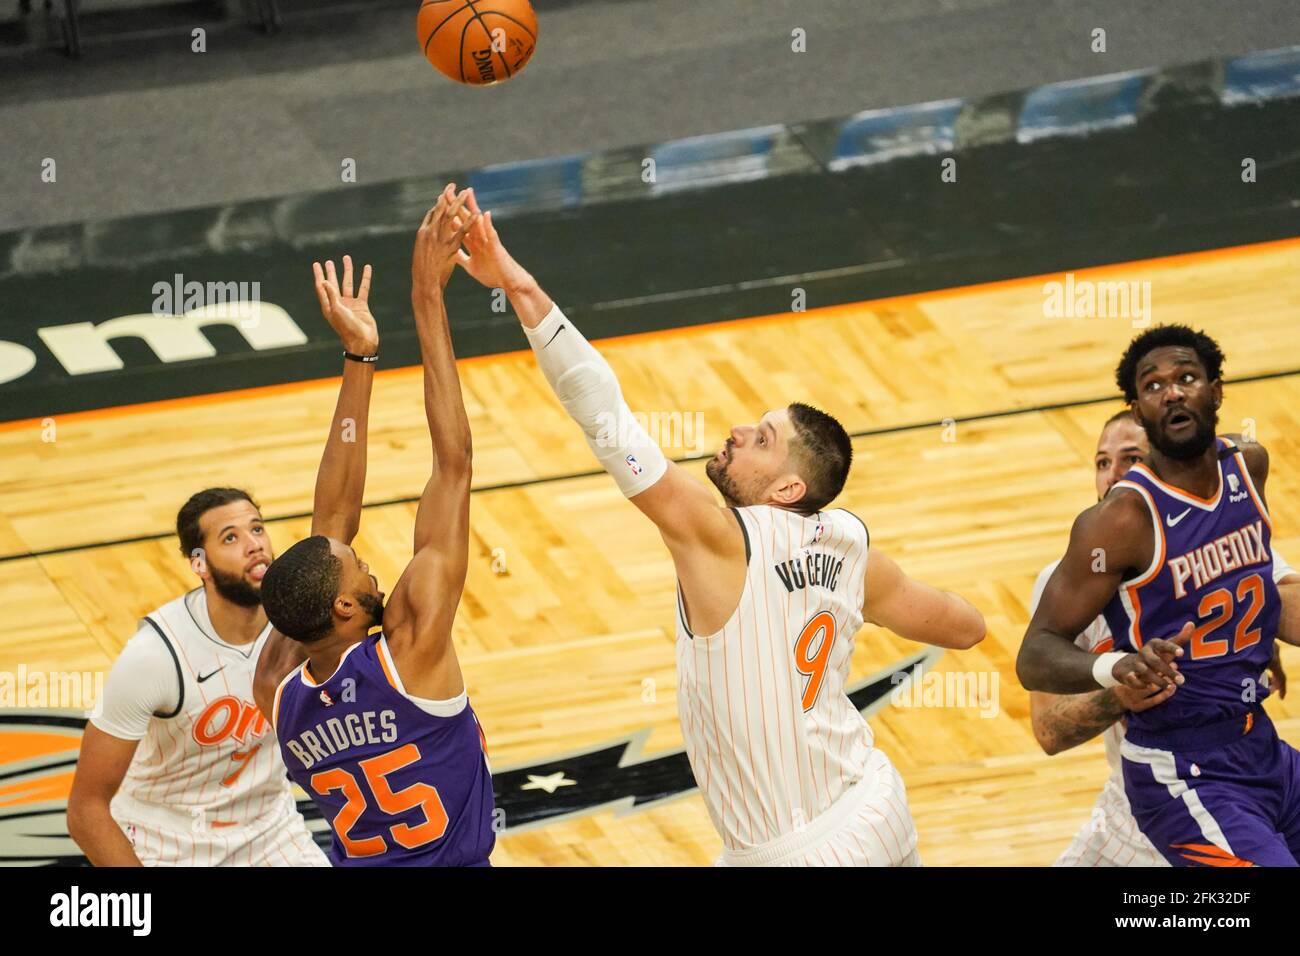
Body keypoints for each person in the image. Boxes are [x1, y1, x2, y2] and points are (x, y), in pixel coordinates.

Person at [452, 193, 986, 867]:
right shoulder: (850, 546)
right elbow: (964, 627)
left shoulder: (720, 539)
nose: (737, 431)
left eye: (761, 439)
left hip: (793, 850)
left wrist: (519, 286)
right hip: (875, 806)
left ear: (788, 486)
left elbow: (605, 417)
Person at [253, 186, 494, 867]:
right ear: (346, 606)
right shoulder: (410, 647)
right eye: (362, 572)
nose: (372, 568)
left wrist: (361, 357)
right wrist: (427, 298)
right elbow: (453, 465)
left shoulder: (275, 688)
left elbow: (329, 525)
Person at [1020, 324, 1300, 866]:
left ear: (1216, 390)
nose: (1171, 392)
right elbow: (1034, 659)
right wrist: (1117, 670)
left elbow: (1274, 600)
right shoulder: (1119, 523)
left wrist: (1266, 643)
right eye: (1153, 386)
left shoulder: (1247, 468)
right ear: (1141, 406)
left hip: (1257, 745)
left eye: (1187, 378)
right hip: (1179, 771)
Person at [66, 489, 326, 865]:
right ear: (199, 564)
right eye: (231, 537)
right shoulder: (153, 656)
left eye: (257, 529)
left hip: (269, 828)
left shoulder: (295, 625)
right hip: (166, 839)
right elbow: (85, 810)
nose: (253, 545)